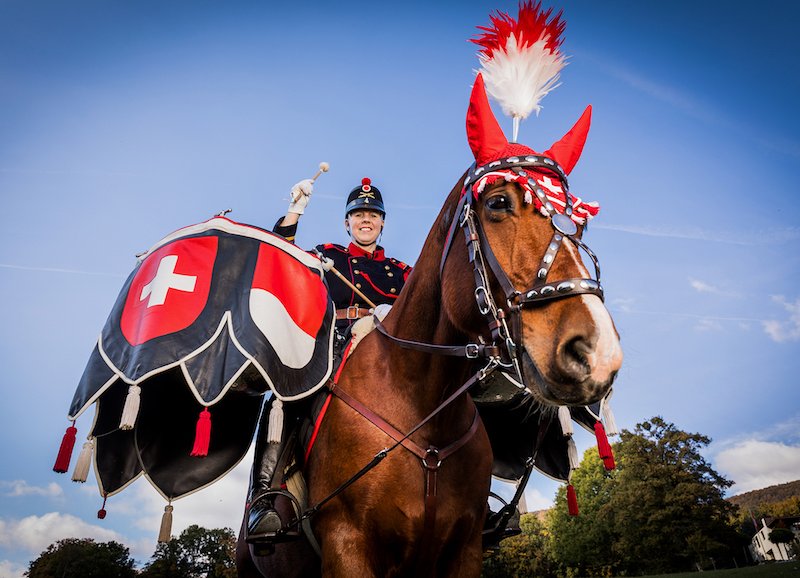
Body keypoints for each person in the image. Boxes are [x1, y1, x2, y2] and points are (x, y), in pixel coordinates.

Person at [245, 176, 412, 546]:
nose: (366, 219)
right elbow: (280, 258)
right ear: (347, 223)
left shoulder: (401, 271)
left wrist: (394, 315)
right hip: (335, 345)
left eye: (373, 214)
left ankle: (475, 498)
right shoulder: (328, 256)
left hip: (391, 351)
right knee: (285, 396)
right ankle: (263, 499)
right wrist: (295, 211)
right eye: (358, 214)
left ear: (382, 223)